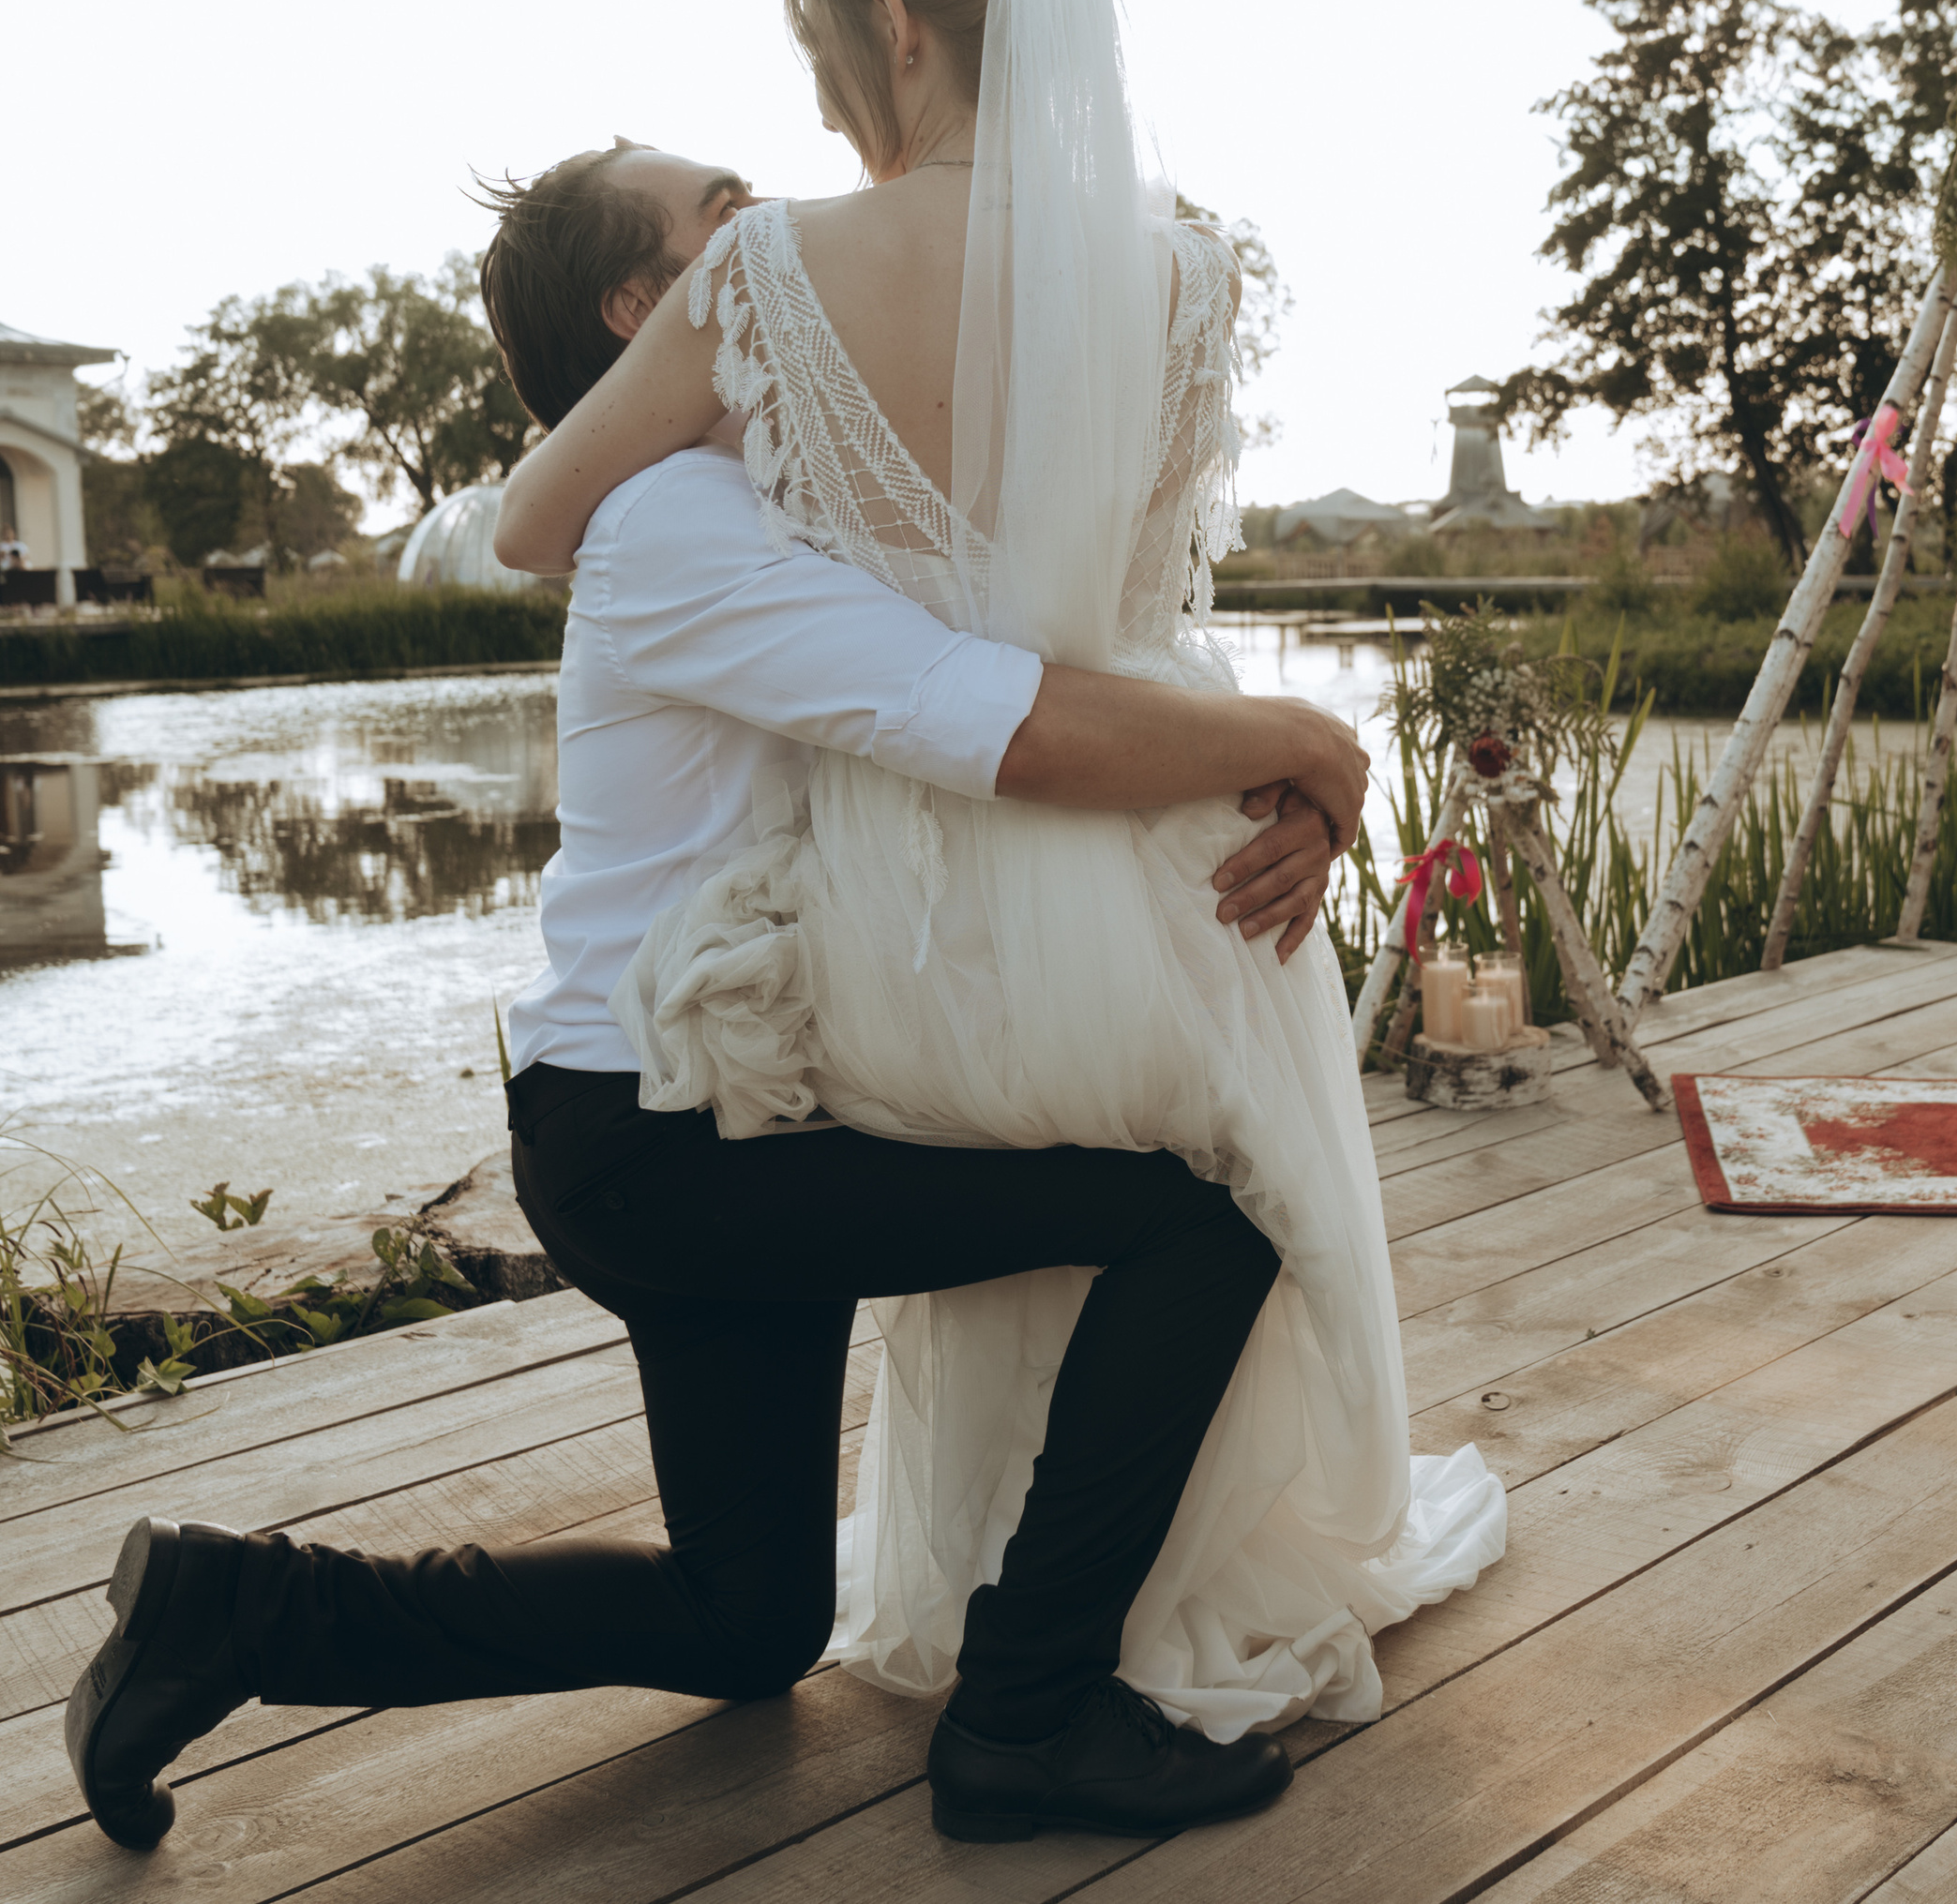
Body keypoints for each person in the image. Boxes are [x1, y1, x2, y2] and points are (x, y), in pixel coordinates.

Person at [66, 139, 1373, 1855]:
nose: (780, 239)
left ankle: (231, 1612)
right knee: (1200, 1222)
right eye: (727, 221)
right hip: (660, 1136)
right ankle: (1030, 1709)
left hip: (715, 1100)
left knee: (749, 1623)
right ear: (649, 306)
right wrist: (1301, 737)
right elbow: (988, 717)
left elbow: (1032, 642)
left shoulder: (765, 497)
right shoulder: (678, 525)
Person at [493, 0, 1506, 1765]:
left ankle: (1015, 1638)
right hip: (1165, 854)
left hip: (901, 914)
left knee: (1030, 1245)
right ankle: (1084, 1649)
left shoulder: (770, 288)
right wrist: (1291, 752)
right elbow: (1120, 635)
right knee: (1208, 1204)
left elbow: (536, 516)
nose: (817, 129)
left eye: (822, 68)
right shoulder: (1185, 270)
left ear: (890, 23)